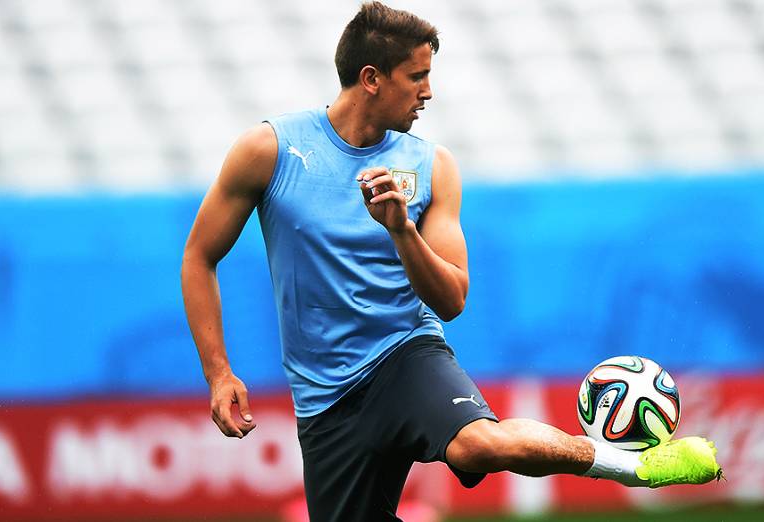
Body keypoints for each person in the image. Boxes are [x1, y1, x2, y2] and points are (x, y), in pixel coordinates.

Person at [181, 2, 721, 521]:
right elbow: (199, 257)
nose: (429, 92)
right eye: (416, 77)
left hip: (404, 353)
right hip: (324, 397)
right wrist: (219, 373)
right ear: (372, 78)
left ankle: (634, 465)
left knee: (475, 445)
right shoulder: (270, 150)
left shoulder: (431, 165)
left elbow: (452, 298)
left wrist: (402, 230)